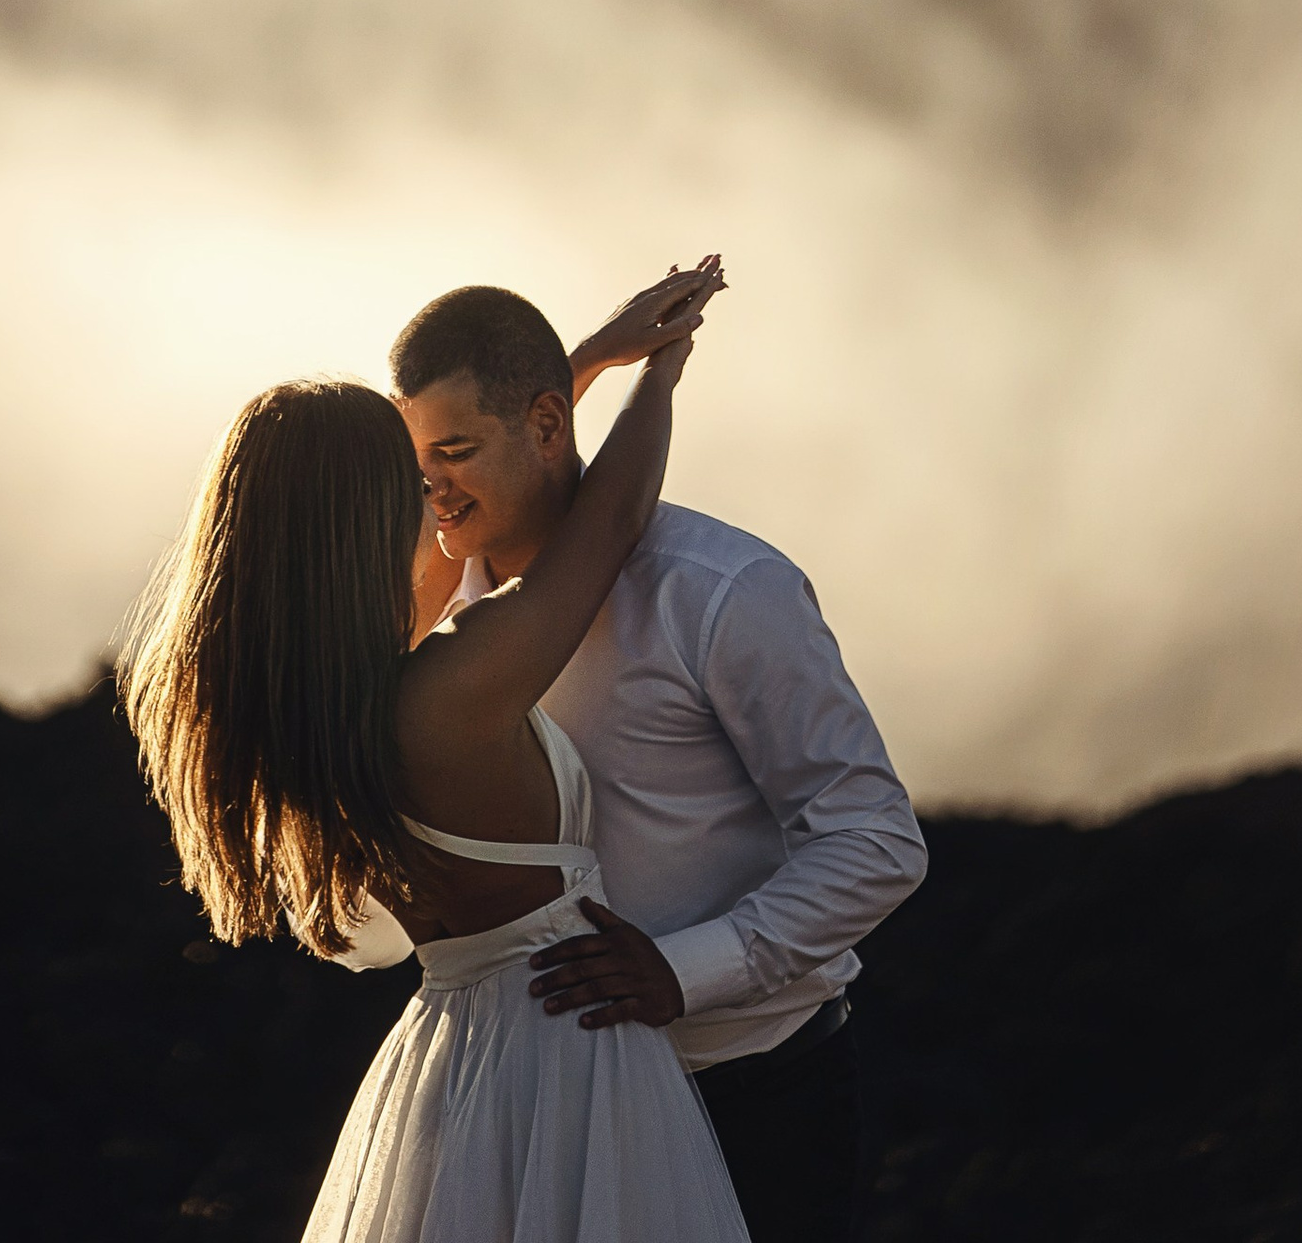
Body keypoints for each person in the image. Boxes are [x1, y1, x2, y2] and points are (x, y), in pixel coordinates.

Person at [120, 280, 750, 1241]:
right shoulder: (450, 691)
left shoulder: (321, 706)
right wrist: (657, 375)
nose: (443, 495)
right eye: (416, 483)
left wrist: (560, 377)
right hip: (565, 1053)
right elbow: (608, 523)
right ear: (369, 523)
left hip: (451, 1063)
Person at [390, 271, 926, 1243]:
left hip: (750, 1096)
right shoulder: (429, 625)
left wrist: (685, 971)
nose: (431, 487)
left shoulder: (721, 590)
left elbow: (875, 840)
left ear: (547, 423)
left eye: (456, 450)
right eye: (416, 457)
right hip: (525, 1104)